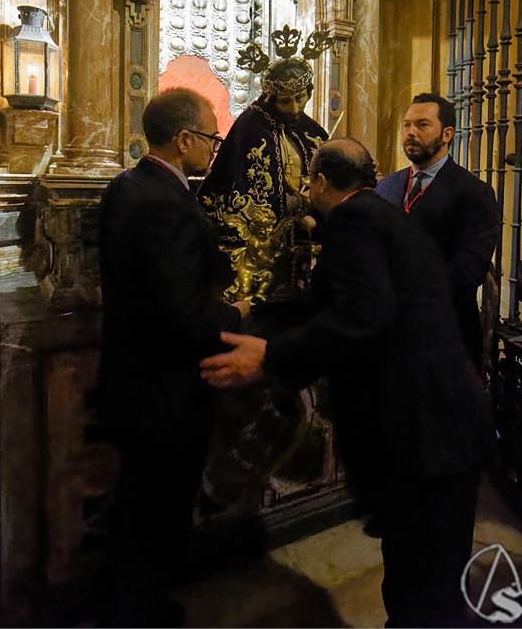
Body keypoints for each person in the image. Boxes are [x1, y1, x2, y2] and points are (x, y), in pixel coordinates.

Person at [200, 138, 494, 628]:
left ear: (319, 181)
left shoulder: (354, 222)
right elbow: (350, 304)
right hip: (445, 422)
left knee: (420, 578)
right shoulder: (385, 217)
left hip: (422, 429)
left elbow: (364, 313)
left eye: (307, 182)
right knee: (431, 575)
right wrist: (260, 312)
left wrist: (272, 355)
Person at [97, 88, 246, 627]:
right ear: (183, 140)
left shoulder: (125, 187)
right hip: (165, 392)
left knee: (137, 508)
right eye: (210, 137)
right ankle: (140, 613)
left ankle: (130, 604)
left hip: (129, 378)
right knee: (156, 514)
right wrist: (235, 314)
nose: (214, 147)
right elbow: (184, 316)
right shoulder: (169, 205)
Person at [198, 25, 331, 303]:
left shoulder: (313, 133)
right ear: (270, 98)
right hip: (259, 245)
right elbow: (235, 187)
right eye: (285, 101)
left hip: (303, 241)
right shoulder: (250, 128)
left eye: (300, 98)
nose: (295, 108)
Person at [375, 92, 499, 369]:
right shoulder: (386, 188)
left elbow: (467, 271)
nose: (410, 132)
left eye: (422, 125)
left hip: (444, 338)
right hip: (386, 338)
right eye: (406, 125)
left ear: (447, 134)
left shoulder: (474, 193)